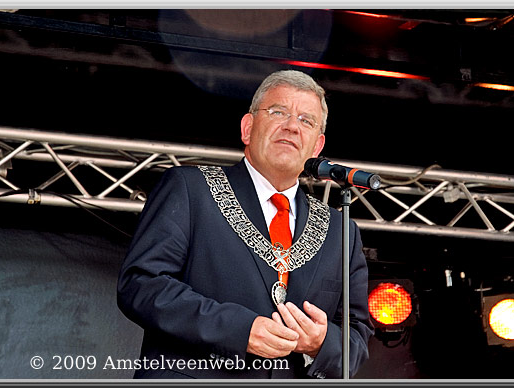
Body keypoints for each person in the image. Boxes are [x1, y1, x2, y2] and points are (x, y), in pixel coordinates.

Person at [117, 70, 373, 379]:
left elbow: (356, 338)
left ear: (317, 146)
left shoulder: (340, 231)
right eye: (279, 112)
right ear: (248, 128)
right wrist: (239, 330)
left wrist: (320, 343)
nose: (292, 126)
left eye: (306, 120)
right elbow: (142, 285)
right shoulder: (191, 188)